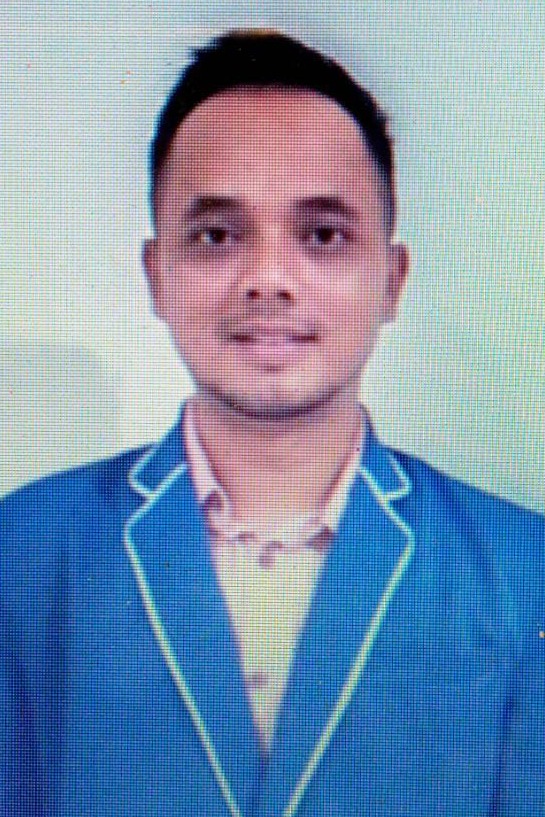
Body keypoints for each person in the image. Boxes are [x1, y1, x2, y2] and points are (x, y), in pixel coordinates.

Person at [1, 29, 543, 817]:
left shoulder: (524, 575)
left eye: (322, 235)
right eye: (216, 235)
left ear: (391, 280)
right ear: (157, 275)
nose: (267, 279)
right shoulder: (20, 554)